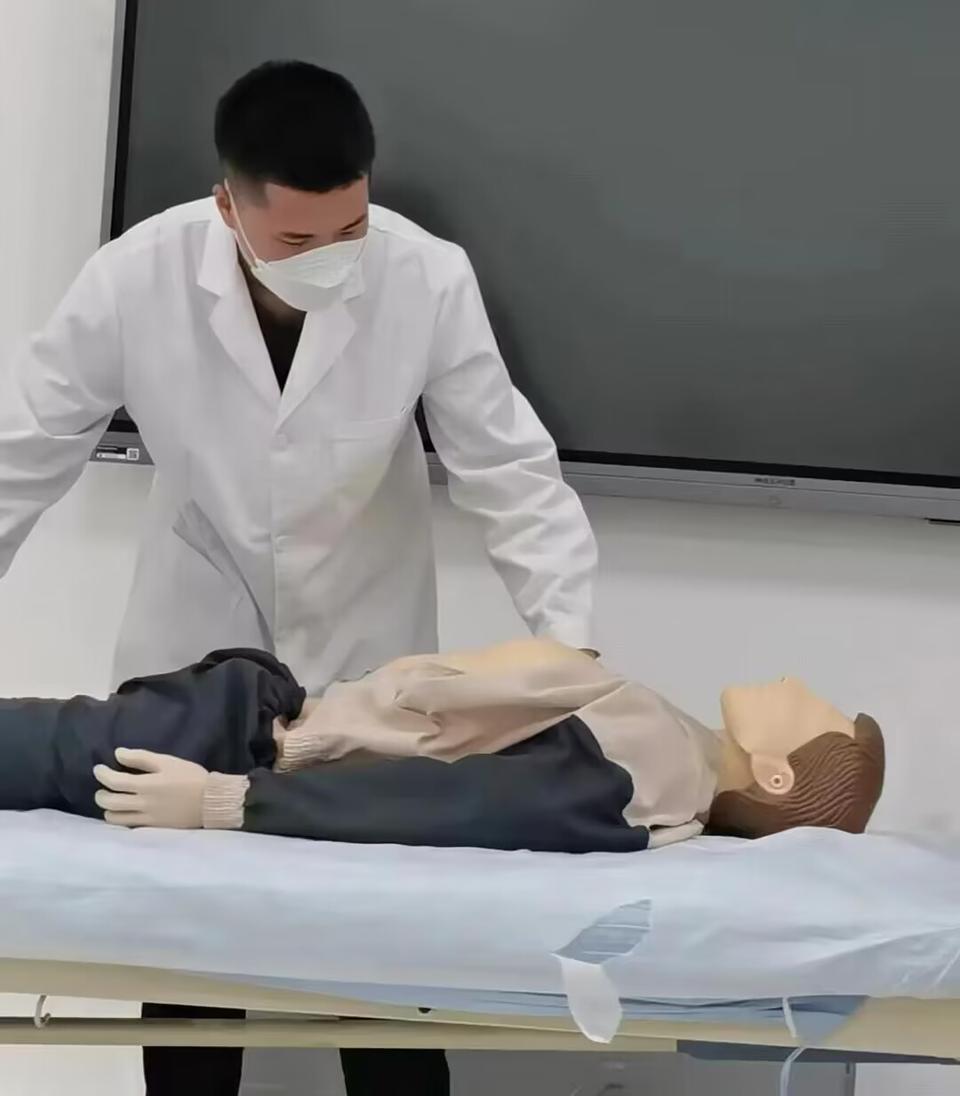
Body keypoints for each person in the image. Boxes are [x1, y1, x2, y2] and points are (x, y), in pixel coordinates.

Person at [0, 61, 597, 1094]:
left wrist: (572, 647)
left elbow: (510, 472)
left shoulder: (426, 277)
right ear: (227, 205)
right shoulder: (136, 278)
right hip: (193, 661)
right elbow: (18, 461)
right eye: (295, 241)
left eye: (349, 230)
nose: (329, 259)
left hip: (371, 664)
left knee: (387, 988)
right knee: (188, 985)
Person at [0, 638, 885, 846]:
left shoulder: (649, 773)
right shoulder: (664, 752)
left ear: (775, 774)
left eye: (815, 709)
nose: (795, 681)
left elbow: (454, 802)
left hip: (222, 747)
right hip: (251, 716)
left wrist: (223, 802)